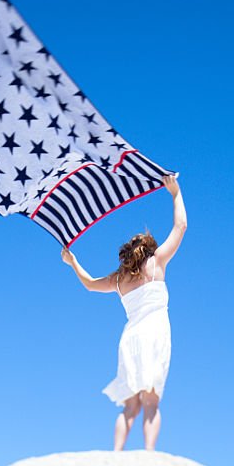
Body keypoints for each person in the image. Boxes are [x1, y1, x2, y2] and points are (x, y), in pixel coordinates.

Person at [61, 174, 187, 451]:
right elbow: (180, 226)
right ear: (149, 250)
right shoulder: (155, 264)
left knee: (130, 405)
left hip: (130, 337)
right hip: (154, 334)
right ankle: (149, 455)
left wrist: (73, 262)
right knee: (151, 402)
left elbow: (90, 285)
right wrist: (175, 193)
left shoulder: (119, 280)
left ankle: (116, 455)